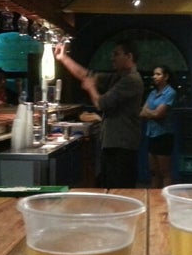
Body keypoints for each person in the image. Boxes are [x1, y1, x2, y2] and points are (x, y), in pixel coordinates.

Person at [54, 39, 144, 188]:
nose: (112, 58)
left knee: (119, 190)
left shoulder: (131, 80)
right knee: (108, 186)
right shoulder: (118, 77)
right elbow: (86, 75)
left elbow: (101, 103)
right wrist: (64, 58)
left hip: (122, 146)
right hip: (114, 144)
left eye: (116, 54)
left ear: (129, 56)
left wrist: (91, 88)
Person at [140, 65, 177, 187]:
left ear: (166, 77)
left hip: (164, 135)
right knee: (154, 171)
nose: (154, 77)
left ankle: (165, 196)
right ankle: (154, 195)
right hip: (151, 134)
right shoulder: (152, 93)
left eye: (158, 74)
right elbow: (142, 112)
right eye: (154, 74)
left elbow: (158, 114)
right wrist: (152, 113)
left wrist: (150, 113)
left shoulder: (170, 92)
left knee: (165, 171)